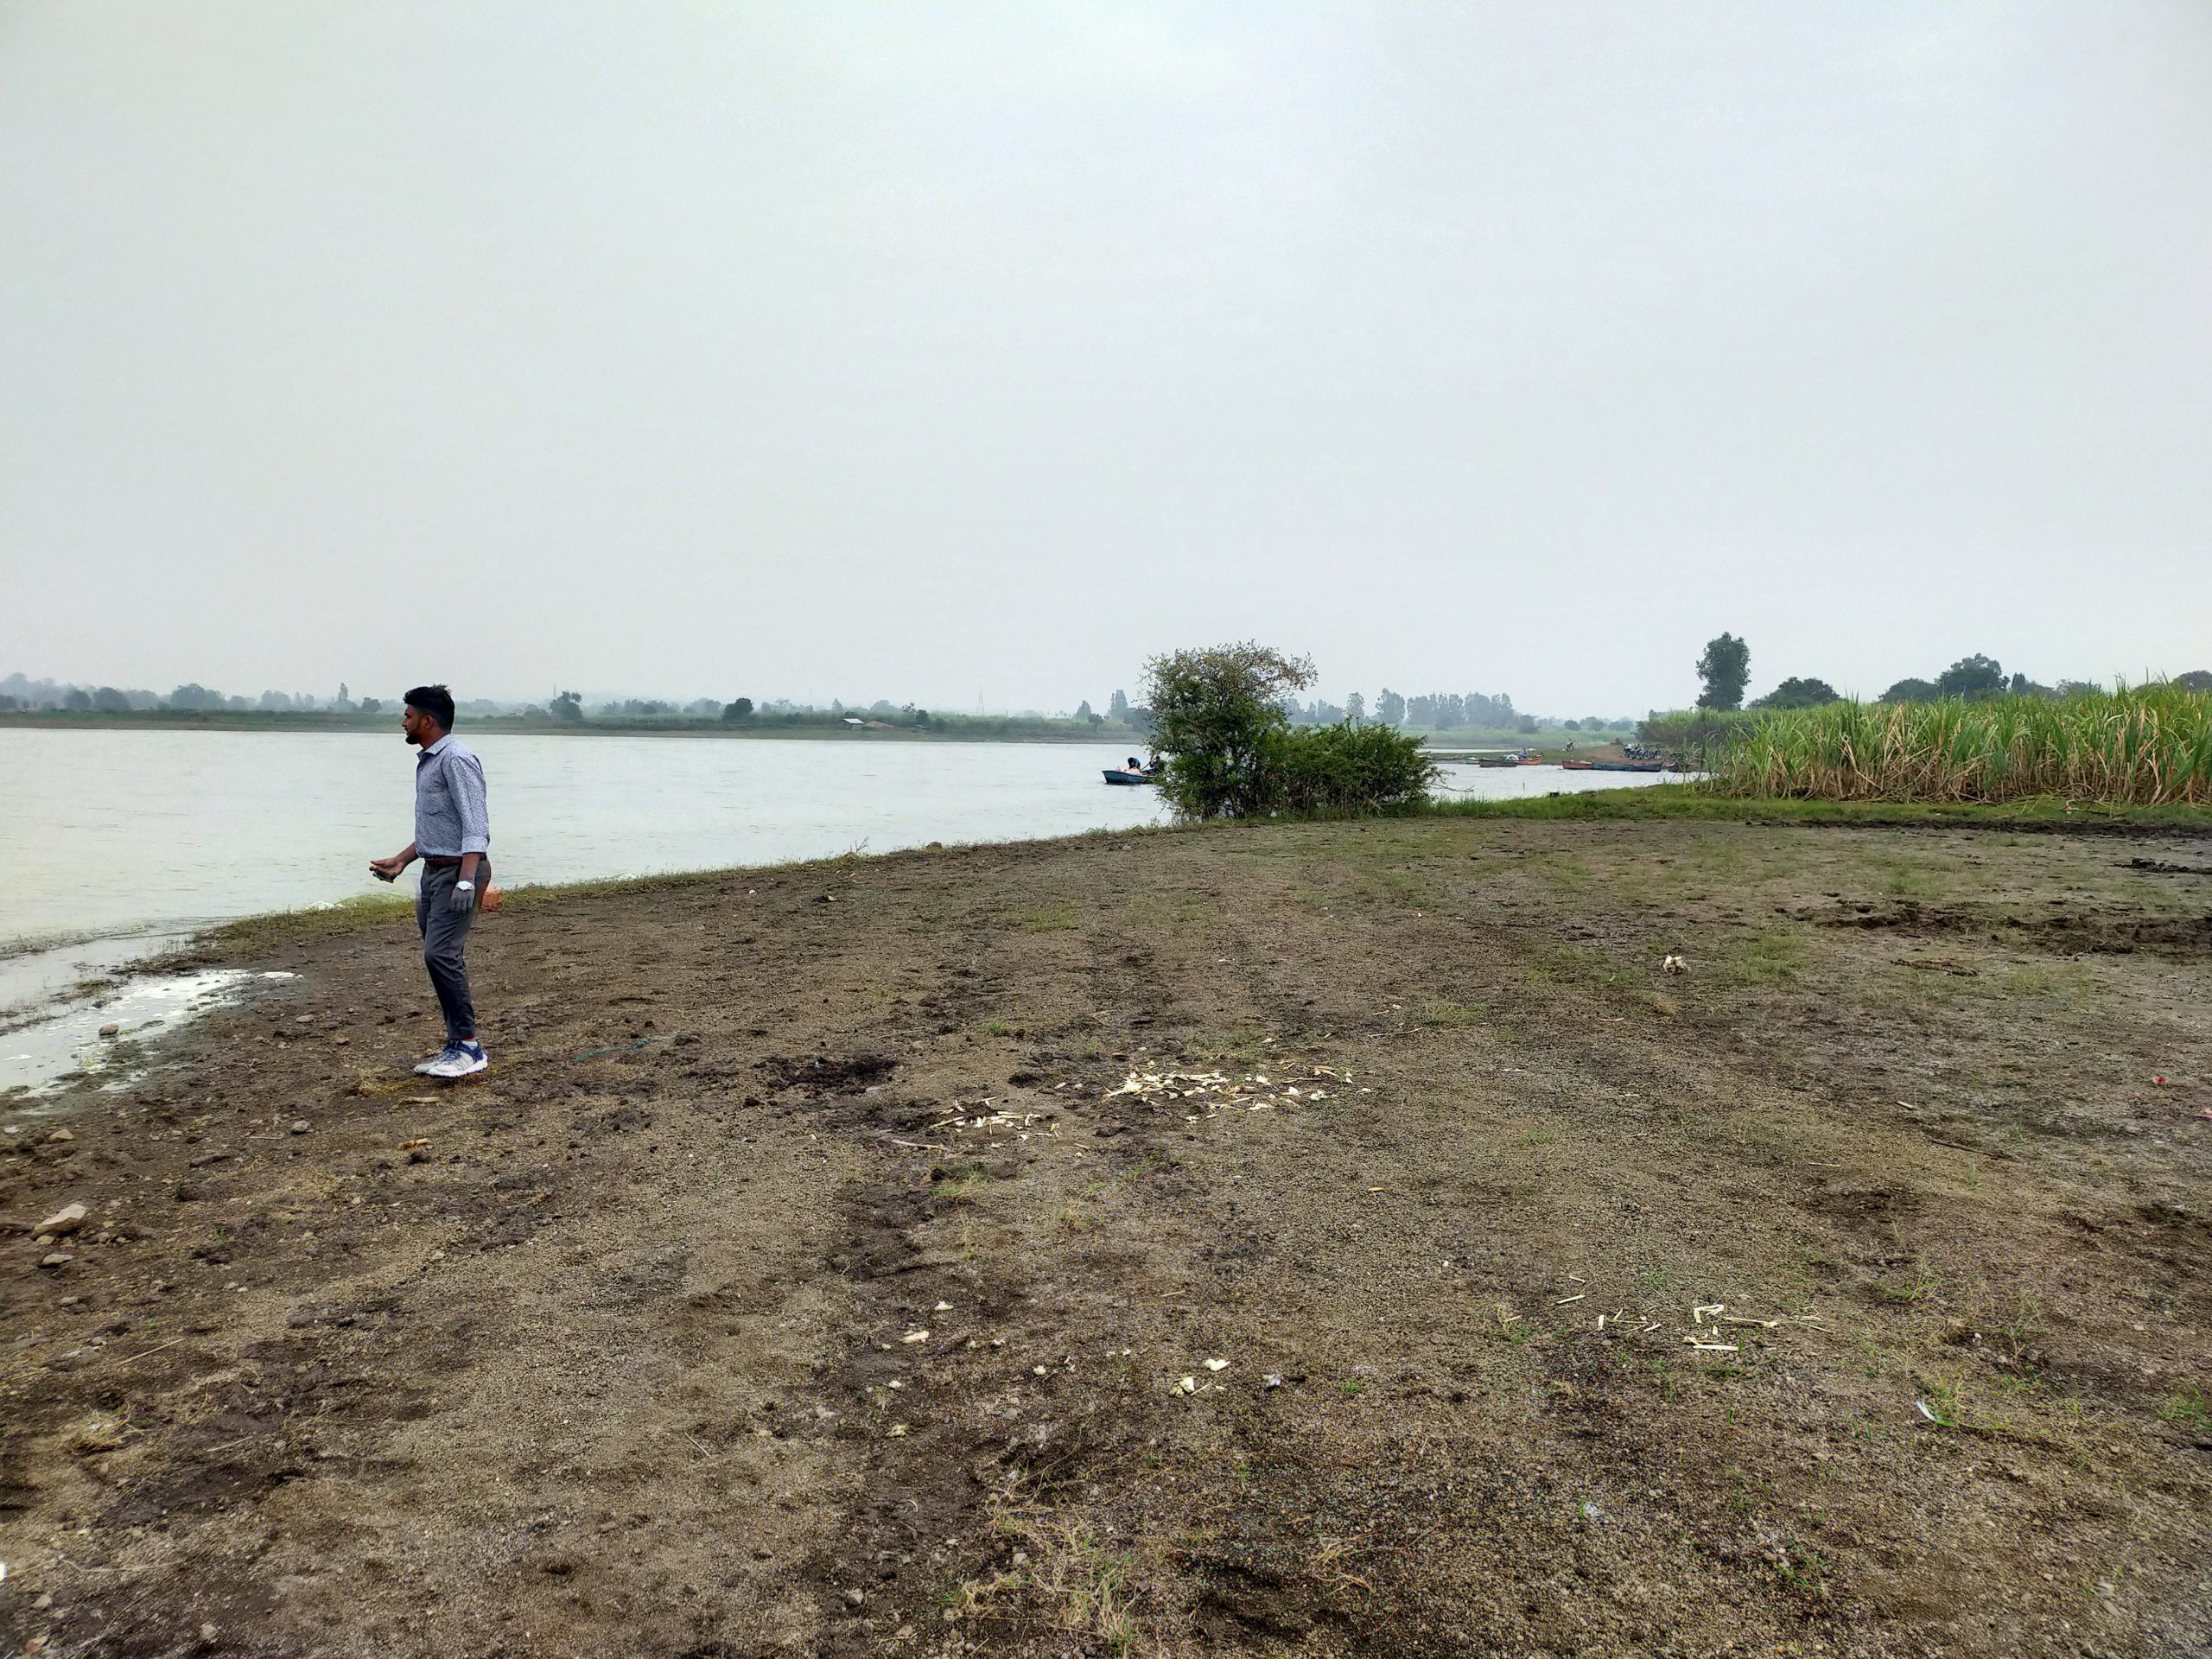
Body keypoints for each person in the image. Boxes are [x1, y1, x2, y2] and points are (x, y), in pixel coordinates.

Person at [368, 684, 492, 1078]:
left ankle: (470, 1048)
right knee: (440, 958)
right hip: (434, 871)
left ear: (427, 721)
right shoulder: (429, 761)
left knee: (440, 955)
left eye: (408, 715)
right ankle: (455, 1044)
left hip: (459, 873)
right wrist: (402, 861)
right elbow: (438, 827)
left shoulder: (456, 759)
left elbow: (475, 826)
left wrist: (467, 881)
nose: (403, 721)